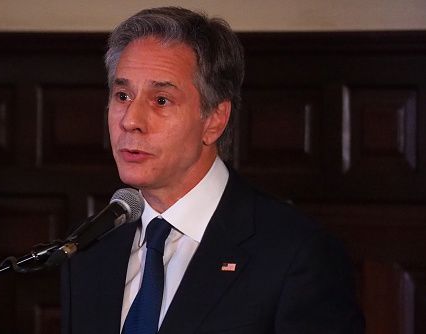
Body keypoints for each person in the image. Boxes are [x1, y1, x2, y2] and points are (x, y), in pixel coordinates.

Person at [60, 6, 364, 334]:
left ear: (214, 119)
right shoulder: (88, 250)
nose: (130, 120)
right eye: (122, 95)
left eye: (161, 100)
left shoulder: (297, 256)